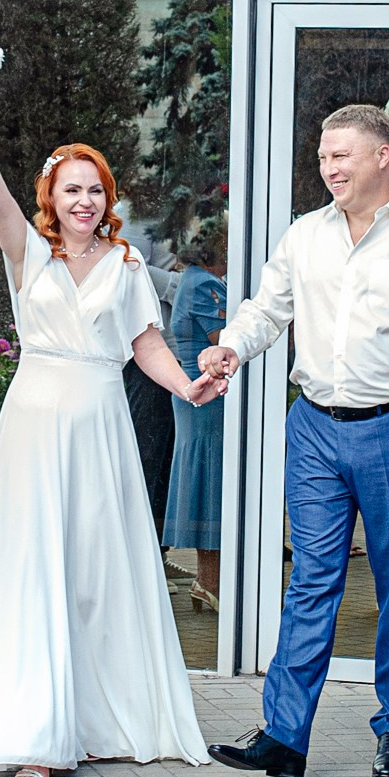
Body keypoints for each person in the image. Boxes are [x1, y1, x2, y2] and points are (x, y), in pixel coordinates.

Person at [200, 103, 389, 777]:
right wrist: (232, 348)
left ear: (382, 156)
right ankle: (283, 736)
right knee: (311, 580)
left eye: (341, 156)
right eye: (323, 158)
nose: (328, 168)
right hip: (313, 426)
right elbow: (267, 308)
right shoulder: (305, 234)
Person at [0, 114, 210, 777]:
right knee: (33, 573)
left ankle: (96, 724)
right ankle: (36, 735)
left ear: (108, 198)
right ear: (51, 197)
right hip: (33, 429)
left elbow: (145, 344)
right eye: (71, 189)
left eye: (94, 190)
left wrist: (186, 387)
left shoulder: (127, 266)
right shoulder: (28, 254)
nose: (84, 201)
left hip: (99, 427)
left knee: (96, 575)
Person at [166, 225, 228, 610]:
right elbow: (225, 340)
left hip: (197, 395)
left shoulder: (192, 280)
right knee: (213, 485)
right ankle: (212, 582)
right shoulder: (205, 284)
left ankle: (208, 582)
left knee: (208, 484)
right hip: (207, 396)